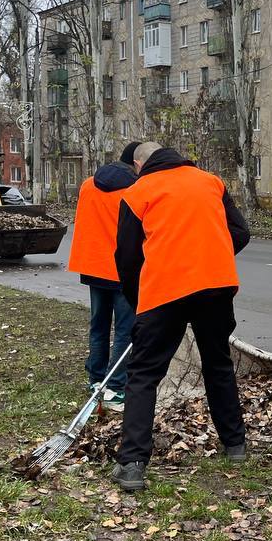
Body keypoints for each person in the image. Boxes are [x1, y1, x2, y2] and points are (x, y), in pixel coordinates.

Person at [110, 141, 251, 491]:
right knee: (218, 364)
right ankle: (235, 446)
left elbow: (127, 258)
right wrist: (211, 253)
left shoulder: (138, 191)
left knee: (143, 374)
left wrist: (137, 299)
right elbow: (241, 232)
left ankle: (132, 464)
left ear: (140, 164)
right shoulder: (210, 182)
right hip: (216, 288)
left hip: (165, 292)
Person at [67, 142, 140, 413]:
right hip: (122, 270)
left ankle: (96, 380)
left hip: (92, 265)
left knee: (98, 326)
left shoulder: (88, 184)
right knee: (125, 330)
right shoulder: (134, 189)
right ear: (136, 164)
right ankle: (116, 387)